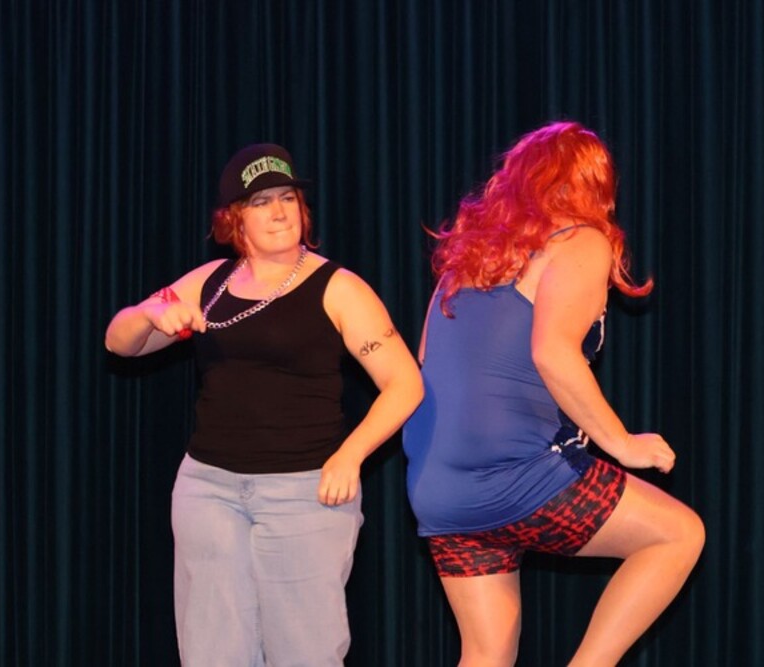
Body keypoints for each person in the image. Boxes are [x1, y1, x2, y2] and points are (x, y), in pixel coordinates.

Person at [105, 143, 423, 666]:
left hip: (303, 493)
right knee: (212, 653)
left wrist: (350, 456)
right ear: (234, 219)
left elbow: (405, 383)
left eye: (287, 198)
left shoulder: (339, 288)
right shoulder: (210, 282)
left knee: (305, 652)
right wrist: (148, 315)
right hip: (209, 489)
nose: (278, 211)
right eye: (260, 202)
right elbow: (118, 341)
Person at [402, 121, 705, 666]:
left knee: (487, 652)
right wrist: (622, 444)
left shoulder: (466, 261)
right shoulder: (580, 241)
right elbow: (553, 353)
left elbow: (426, 359)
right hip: (514, 474)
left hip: (438, 486)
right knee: (678, 534)